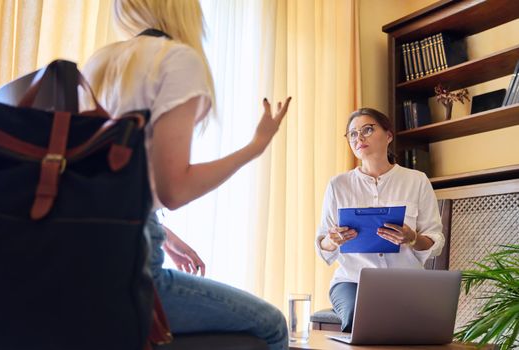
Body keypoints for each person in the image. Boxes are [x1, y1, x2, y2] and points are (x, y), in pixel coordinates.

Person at [82, 0, 291, 348]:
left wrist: (163, 233)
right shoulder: (176, 60)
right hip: (131, 270)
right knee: (271, 325)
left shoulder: (99, 62)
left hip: (83, 261)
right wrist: (255, 147)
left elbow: (104, 185)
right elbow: (174, 191)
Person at [315, 107, 445, 333]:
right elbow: (323, 247)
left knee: (420, 327)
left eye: (367, 129)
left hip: (407, 281)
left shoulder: (417, 181)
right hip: (353, 281)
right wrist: (333, 239)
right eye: (353, 134)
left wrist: (412, 238)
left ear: (388, 135)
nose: (359, 137)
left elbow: (435, 241)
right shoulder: (338, 185)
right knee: (361, 315)